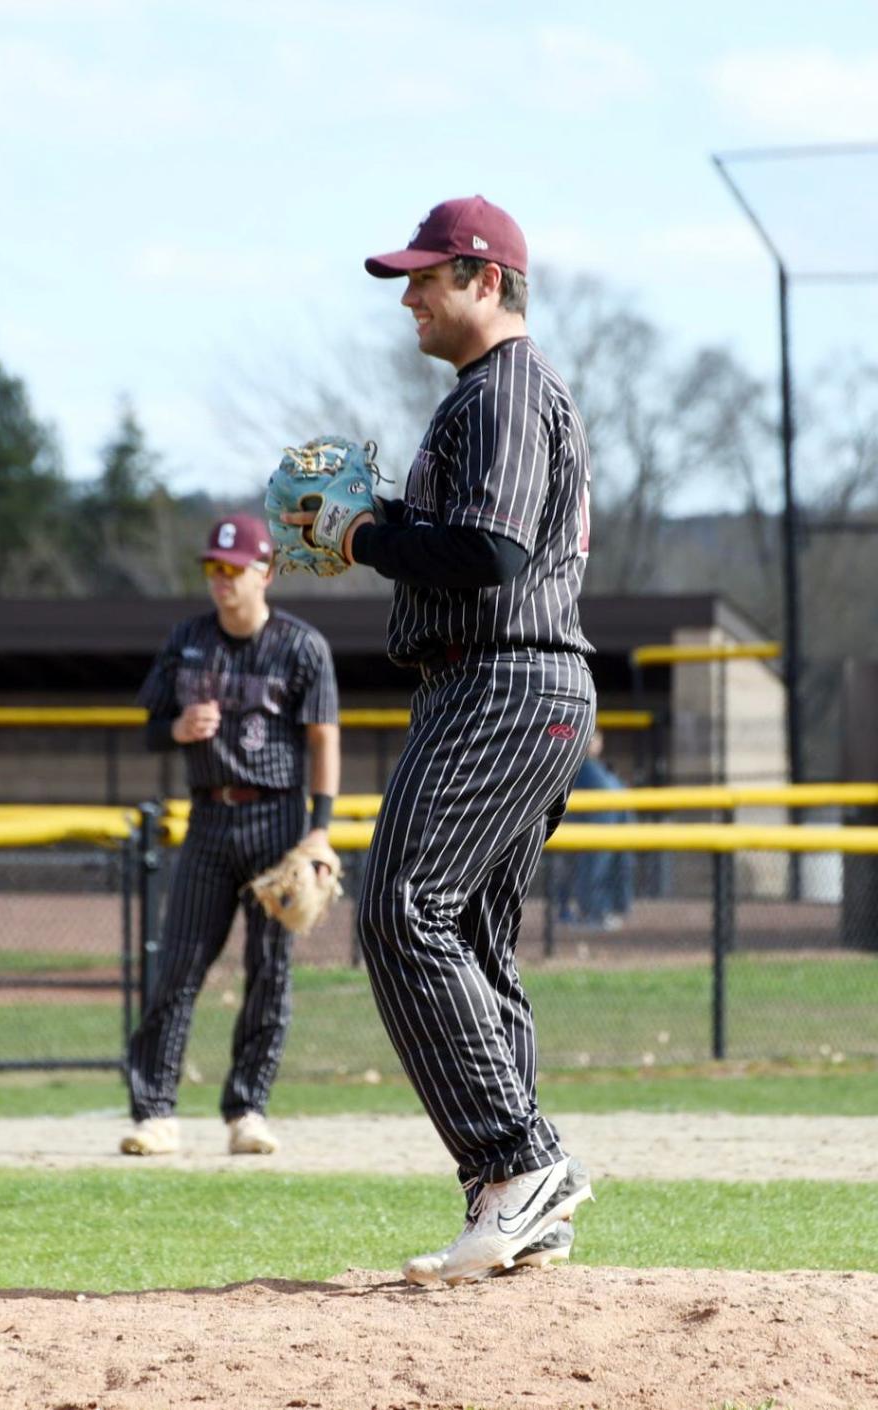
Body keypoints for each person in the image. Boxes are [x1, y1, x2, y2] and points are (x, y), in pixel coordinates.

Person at [284, 195, 597, 1284]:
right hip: (529, 682)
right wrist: (385, 510)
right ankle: (519, 1204)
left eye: (426, 277)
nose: (409, 297)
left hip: (500, 679)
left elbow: (495, 551)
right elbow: (473, 536)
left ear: (486, 280)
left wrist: (367, 531)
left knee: (404, 909)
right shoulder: (495, 396)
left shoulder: (501, 390)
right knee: (468, 937)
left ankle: (520, 1164)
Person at [120, 513, 340, 1158]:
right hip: (209, 817)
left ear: (264, 572)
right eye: (213, 569)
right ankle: (155, 1111)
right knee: (179, 966)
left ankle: (248, 1109)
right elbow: (150, 725)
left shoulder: (302, 647)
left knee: (269, 971)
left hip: (277, 820)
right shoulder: (187, 640)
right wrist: (178, 728)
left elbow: (324, 738)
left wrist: (320, 833)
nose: (221, 581)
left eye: (233, 569)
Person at [570, 729, 635, 930]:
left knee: (612, 870)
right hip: (590, 832)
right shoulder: (580, 768)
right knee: (592, 872)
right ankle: (591, 914)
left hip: (612, 831)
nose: (594, 745)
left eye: (596, 741)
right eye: (590, 741)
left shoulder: (602, 768)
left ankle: (601, 911)